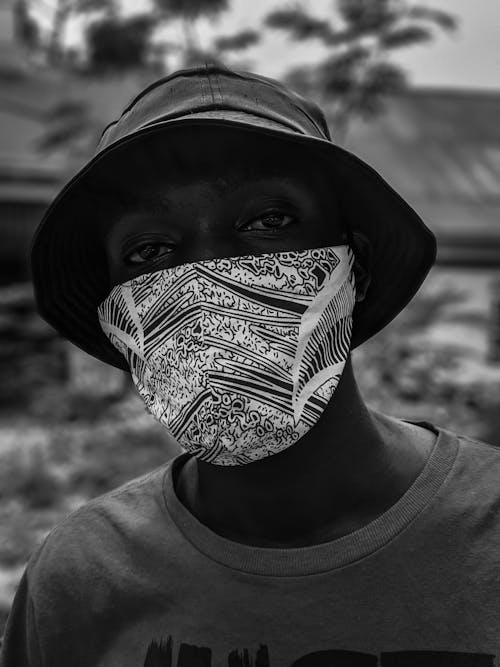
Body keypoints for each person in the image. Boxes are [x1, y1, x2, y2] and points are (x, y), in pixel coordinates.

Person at [1, 63, 500, 667]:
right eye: (151, 250)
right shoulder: (80, 579)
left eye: (268, 221)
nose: (209, 279)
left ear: (354, 268)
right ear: (119, 318)